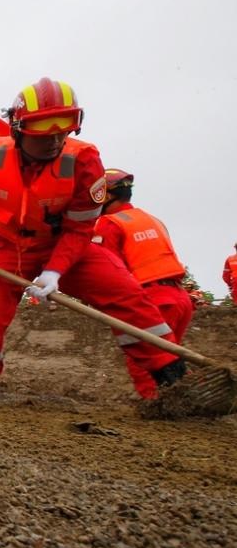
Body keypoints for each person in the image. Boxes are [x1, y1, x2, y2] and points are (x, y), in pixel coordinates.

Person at [0, 78, 186, 404]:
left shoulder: (85, 162)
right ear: (19, 129)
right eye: (44, 132)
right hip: (8, 246)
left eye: (63, 130)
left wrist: (55, 271)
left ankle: (174, 380)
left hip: (66, 245)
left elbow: (80, 231)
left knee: (126, 294)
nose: (55, 139)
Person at [93, 168, 194, 399]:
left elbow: (106, 269)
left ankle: (156, 408)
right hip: (180, 298)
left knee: (145, 360)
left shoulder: (109, 223)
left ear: (106, 196)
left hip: (150, 298)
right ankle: (185, 404)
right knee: (169, 360)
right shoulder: (151, 220)